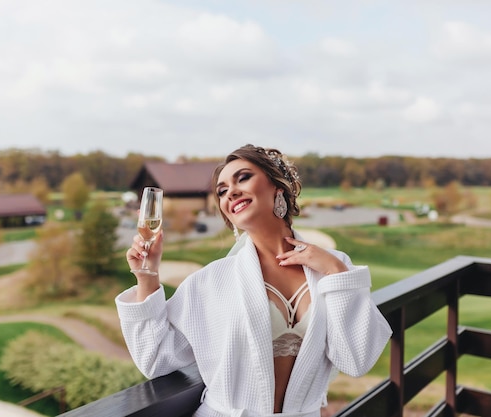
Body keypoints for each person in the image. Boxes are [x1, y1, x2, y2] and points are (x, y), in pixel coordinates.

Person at [116, 144, 392, 417]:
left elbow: (357, 360)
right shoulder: (211, 281)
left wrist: (335, 271)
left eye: (243, 177)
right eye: (222, 191)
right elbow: (155, 360)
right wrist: (147, 276)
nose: (230, 192)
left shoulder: (334, 267)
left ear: (277, 188)